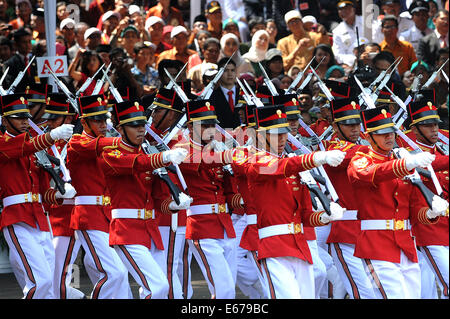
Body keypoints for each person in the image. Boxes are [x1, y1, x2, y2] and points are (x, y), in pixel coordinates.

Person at [239, 103, 346, 299]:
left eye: (284, 133)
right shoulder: (256, 162)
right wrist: (316, 157)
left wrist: (325, 216)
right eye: (275, 134)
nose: (282, 139)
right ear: (261, 136)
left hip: (300, 246)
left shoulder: (294, 167)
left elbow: (305, 216)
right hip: (274, 248)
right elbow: (280, 167)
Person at [347, 105, 448, 299]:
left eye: (391, 132)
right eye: (382, 134)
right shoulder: (362, 160)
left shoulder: (402, 160)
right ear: (368, 137)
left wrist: (430, 212)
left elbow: (415, 206)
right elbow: (368, 174)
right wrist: (405, 164)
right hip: (376, 246)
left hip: (405, 245)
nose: (389, 137)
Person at [99, 99, 188, 299]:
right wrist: (164, 157)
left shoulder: (147, 154)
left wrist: (174, 204)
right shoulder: (110, 153)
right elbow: (136, 163)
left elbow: (157, 199)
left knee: (162, 287)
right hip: (127, 231)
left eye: (142, 125)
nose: (141, 130)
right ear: (121, 129)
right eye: (134, 126)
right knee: (156, 287)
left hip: (150, 230)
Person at [0, 93, 75, 299]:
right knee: (39, 282)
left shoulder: (34, 147)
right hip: (17, 218)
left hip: (39, 219)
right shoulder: (5, 143)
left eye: (26, 117)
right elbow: (20, 148)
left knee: (49, 282)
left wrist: (59, 193)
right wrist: (50, 137)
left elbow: (44, 192)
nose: (25, 122)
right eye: (18, 118)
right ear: (5, 120)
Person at [173, 98, 242, 299]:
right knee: (224, 289)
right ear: (190, 126)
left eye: (212, 124)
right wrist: (230, 155)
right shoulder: (182, 148)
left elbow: (229, 191)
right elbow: (201, 162)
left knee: (228, 288)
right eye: (204, 124)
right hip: (201, 227)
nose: (210, 129)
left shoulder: (217, 149)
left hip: (225, 225)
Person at [396, 94, 449, 299]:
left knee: (427, 290)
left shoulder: (442, 152)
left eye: (436, 124)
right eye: (428, 126)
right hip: (427, 230)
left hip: (444, 228)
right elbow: (428, 165)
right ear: (414, 130)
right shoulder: (407, 155)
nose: (434, 130)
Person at [40, 92, 85, 299]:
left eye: (54, 118)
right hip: (46, 216)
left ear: (68, 119)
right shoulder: (46, 141)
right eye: (48, 118)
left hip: (67, 218)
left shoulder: (79, 143)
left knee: (58, 280)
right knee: (48, 280)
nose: (48, 123)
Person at [209, 57, 241, 129]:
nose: (230, 74)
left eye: (232, 70)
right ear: (219, 73)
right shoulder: (212, 96)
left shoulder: (244, 94)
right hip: (221, 136)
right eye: (226, 70)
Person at [331, 0, 362, 70]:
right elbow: (338, 54)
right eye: (340, 9)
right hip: (350, 65)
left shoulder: (366, 22)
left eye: (346, 8)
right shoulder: (337, 31)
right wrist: (354, 59)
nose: (343, 12)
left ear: (353, 9)